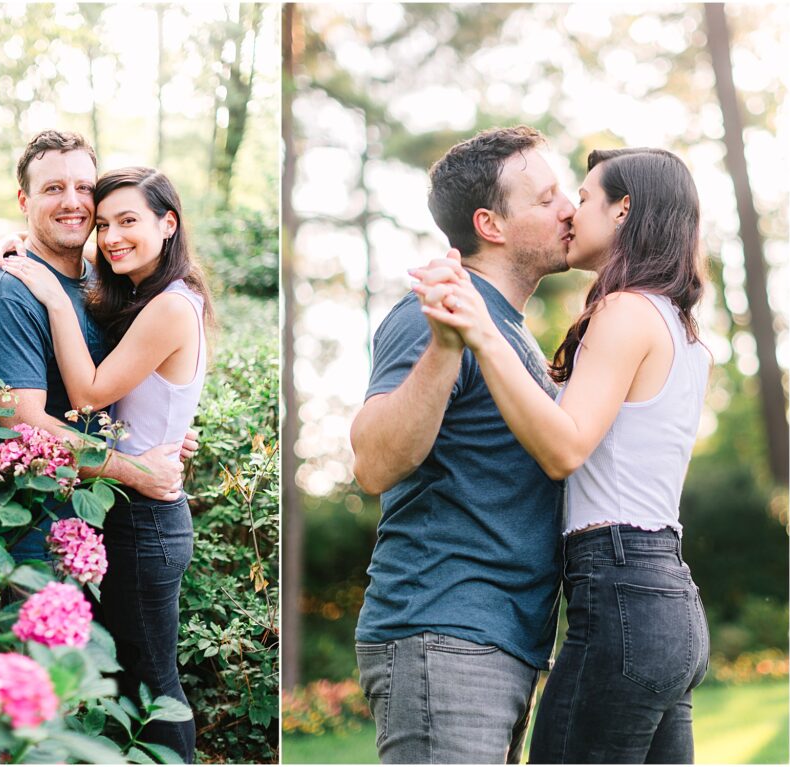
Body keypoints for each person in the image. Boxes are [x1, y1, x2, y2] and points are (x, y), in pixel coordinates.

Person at [414, 147, 711, 763]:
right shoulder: (676, 323)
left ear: (623, 209)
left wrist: (480, 331)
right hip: (665, 600)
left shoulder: (626, 311)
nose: (571, 213)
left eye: (584, 197)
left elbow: (565, 448)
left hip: (623, 591)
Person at [349, 126, 574, 764]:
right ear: (491, 224)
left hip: (500, 643)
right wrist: (447, 346)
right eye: (546, 198)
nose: (568, 209)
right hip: (443, 633)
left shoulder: (510, 333)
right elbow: (373, 463)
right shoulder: (433, 315)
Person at [0, 162, 212, 763]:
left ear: (169, 224)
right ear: (26, 198)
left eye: (125, 220)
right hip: (112, 510)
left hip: (145, 519)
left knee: (151, 687)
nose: (108, 235)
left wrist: (56, 300)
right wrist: (11, 247)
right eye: (104, 223)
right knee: (127, 684)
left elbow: (89, 395)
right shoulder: (126, 292)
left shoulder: (162, 304)